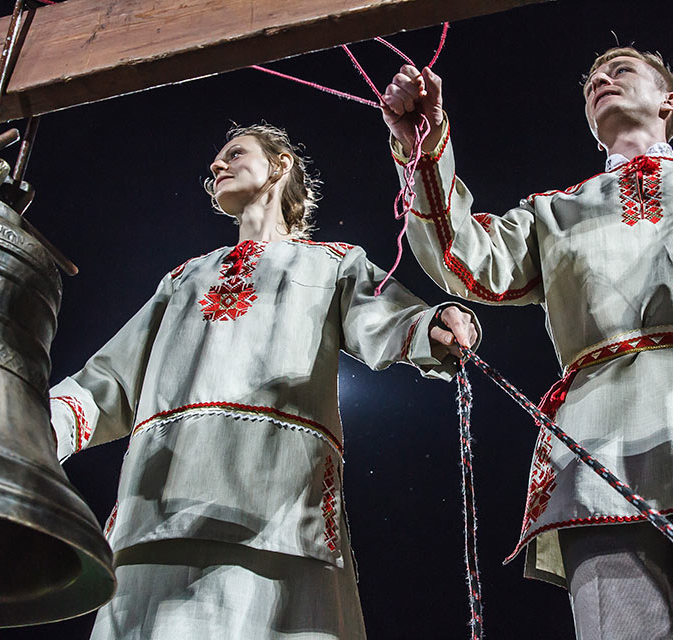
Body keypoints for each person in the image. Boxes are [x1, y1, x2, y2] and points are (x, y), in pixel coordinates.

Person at [380, 47, 673, 639]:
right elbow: (463, 260)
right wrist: (423, 146)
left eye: (621, 69)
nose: (601, 79)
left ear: (670, 101)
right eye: (591, 81)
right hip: (598, 440)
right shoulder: (552, 213)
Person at [47, 123, 479, 640]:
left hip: (279, 511)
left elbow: (384, 319)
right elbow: (109, 383)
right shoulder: (183, 279)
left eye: (235, 153)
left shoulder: (333, 263)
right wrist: (30, 427)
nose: (217, 165)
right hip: (160, 508)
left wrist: (430, 326)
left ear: (280, 165)